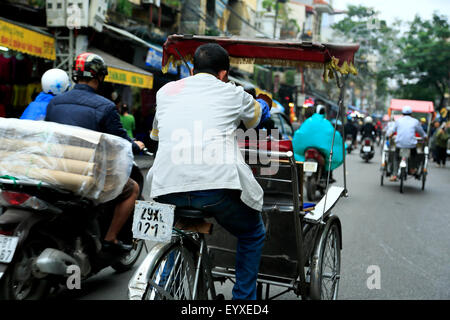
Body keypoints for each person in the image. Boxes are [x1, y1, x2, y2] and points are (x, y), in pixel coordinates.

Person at [146, 43, 271, 300]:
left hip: (165, 186)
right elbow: (258, 118)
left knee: (175, 235)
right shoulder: (231, 92)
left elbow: (156, 135)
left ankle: (163, 288)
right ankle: (243, 301)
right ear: (224, 73)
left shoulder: (166, 91)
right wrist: (261, 102)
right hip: (215, 187)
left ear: (192, 69)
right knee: (252, 232)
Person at [45, 52, 145, 253]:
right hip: (88, 175)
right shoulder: (106, 107)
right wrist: (137, 146)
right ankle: (110, 239)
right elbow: (121, 140)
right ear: (99, 76)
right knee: (132, 188)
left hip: (55, 170)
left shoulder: (55, 103)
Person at [292, 104, 345, 183]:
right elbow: (333, 134)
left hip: (307, 149)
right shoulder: (326, 122)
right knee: (328, 161)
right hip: (318, 151)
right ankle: (326, 177)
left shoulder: (308, 121)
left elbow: (299, 133)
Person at [387, 106, 427, 181]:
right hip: (411, 145)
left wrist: (390, 135)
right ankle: (412, 168)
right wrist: (425, 137)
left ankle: (394, 175)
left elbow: (391, 132)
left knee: (396, 158)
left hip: (399, 144)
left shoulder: (398, 121)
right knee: (414, 155)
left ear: (402, 114)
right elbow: (422, 133)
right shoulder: (415, 121)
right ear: (411, 114)